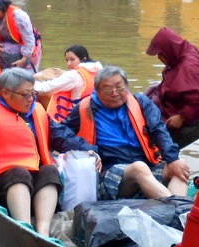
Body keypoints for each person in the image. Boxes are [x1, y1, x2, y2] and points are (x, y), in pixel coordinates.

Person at [0, 68, 99, 236]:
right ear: (6, 93)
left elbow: (63, 137)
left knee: (50, 169)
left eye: (33, 93)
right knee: (19, 172)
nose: (31, 99)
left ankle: (43, 231)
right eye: (25, 95)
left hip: (33, 185)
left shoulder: (37, 113)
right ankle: (24, 229)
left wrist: (90, 151)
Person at [63, 66, 191, 199]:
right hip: (108, 174)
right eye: (108, 90)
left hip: (146, 168)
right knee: (139, 168)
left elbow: (159, 130)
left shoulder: (140, 102)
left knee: (179, 166)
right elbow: (62, 134)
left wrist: (173, 159)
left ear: (127, 87)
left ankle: (178, 206)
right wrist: (84, 148)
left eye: (119, 88)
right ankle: (177, 207)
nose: (114, 93)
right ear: (97, 91)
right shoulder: (84, 109)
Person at [144, 28, 199, 132]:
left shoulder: (188, 67)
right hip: (171, 101)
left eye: (161, 54)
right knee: (148, 92)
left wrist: (182, 117)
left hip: (180, 113)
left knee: (146, 120)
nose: (159, 58)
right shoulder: (183, 51)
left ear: (169, 51)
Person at [34, 44, 102, 122]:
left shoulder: (74, 75)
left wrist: (30, 85)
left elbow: (47, 88)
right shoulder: (98, 71)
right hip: (93, 113)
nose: (69, 64)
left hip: (75, 117)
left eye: (72, 59)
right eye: (67, 60)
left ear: (84, 59)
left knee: (42, 94)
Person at [0, 0, 42, 71]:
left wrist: (24, 59)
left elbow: (29, 40)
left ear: (0, 9)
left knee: (22, 70)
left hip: (29, 47)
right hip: (8, 43)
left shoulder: (19, 16)